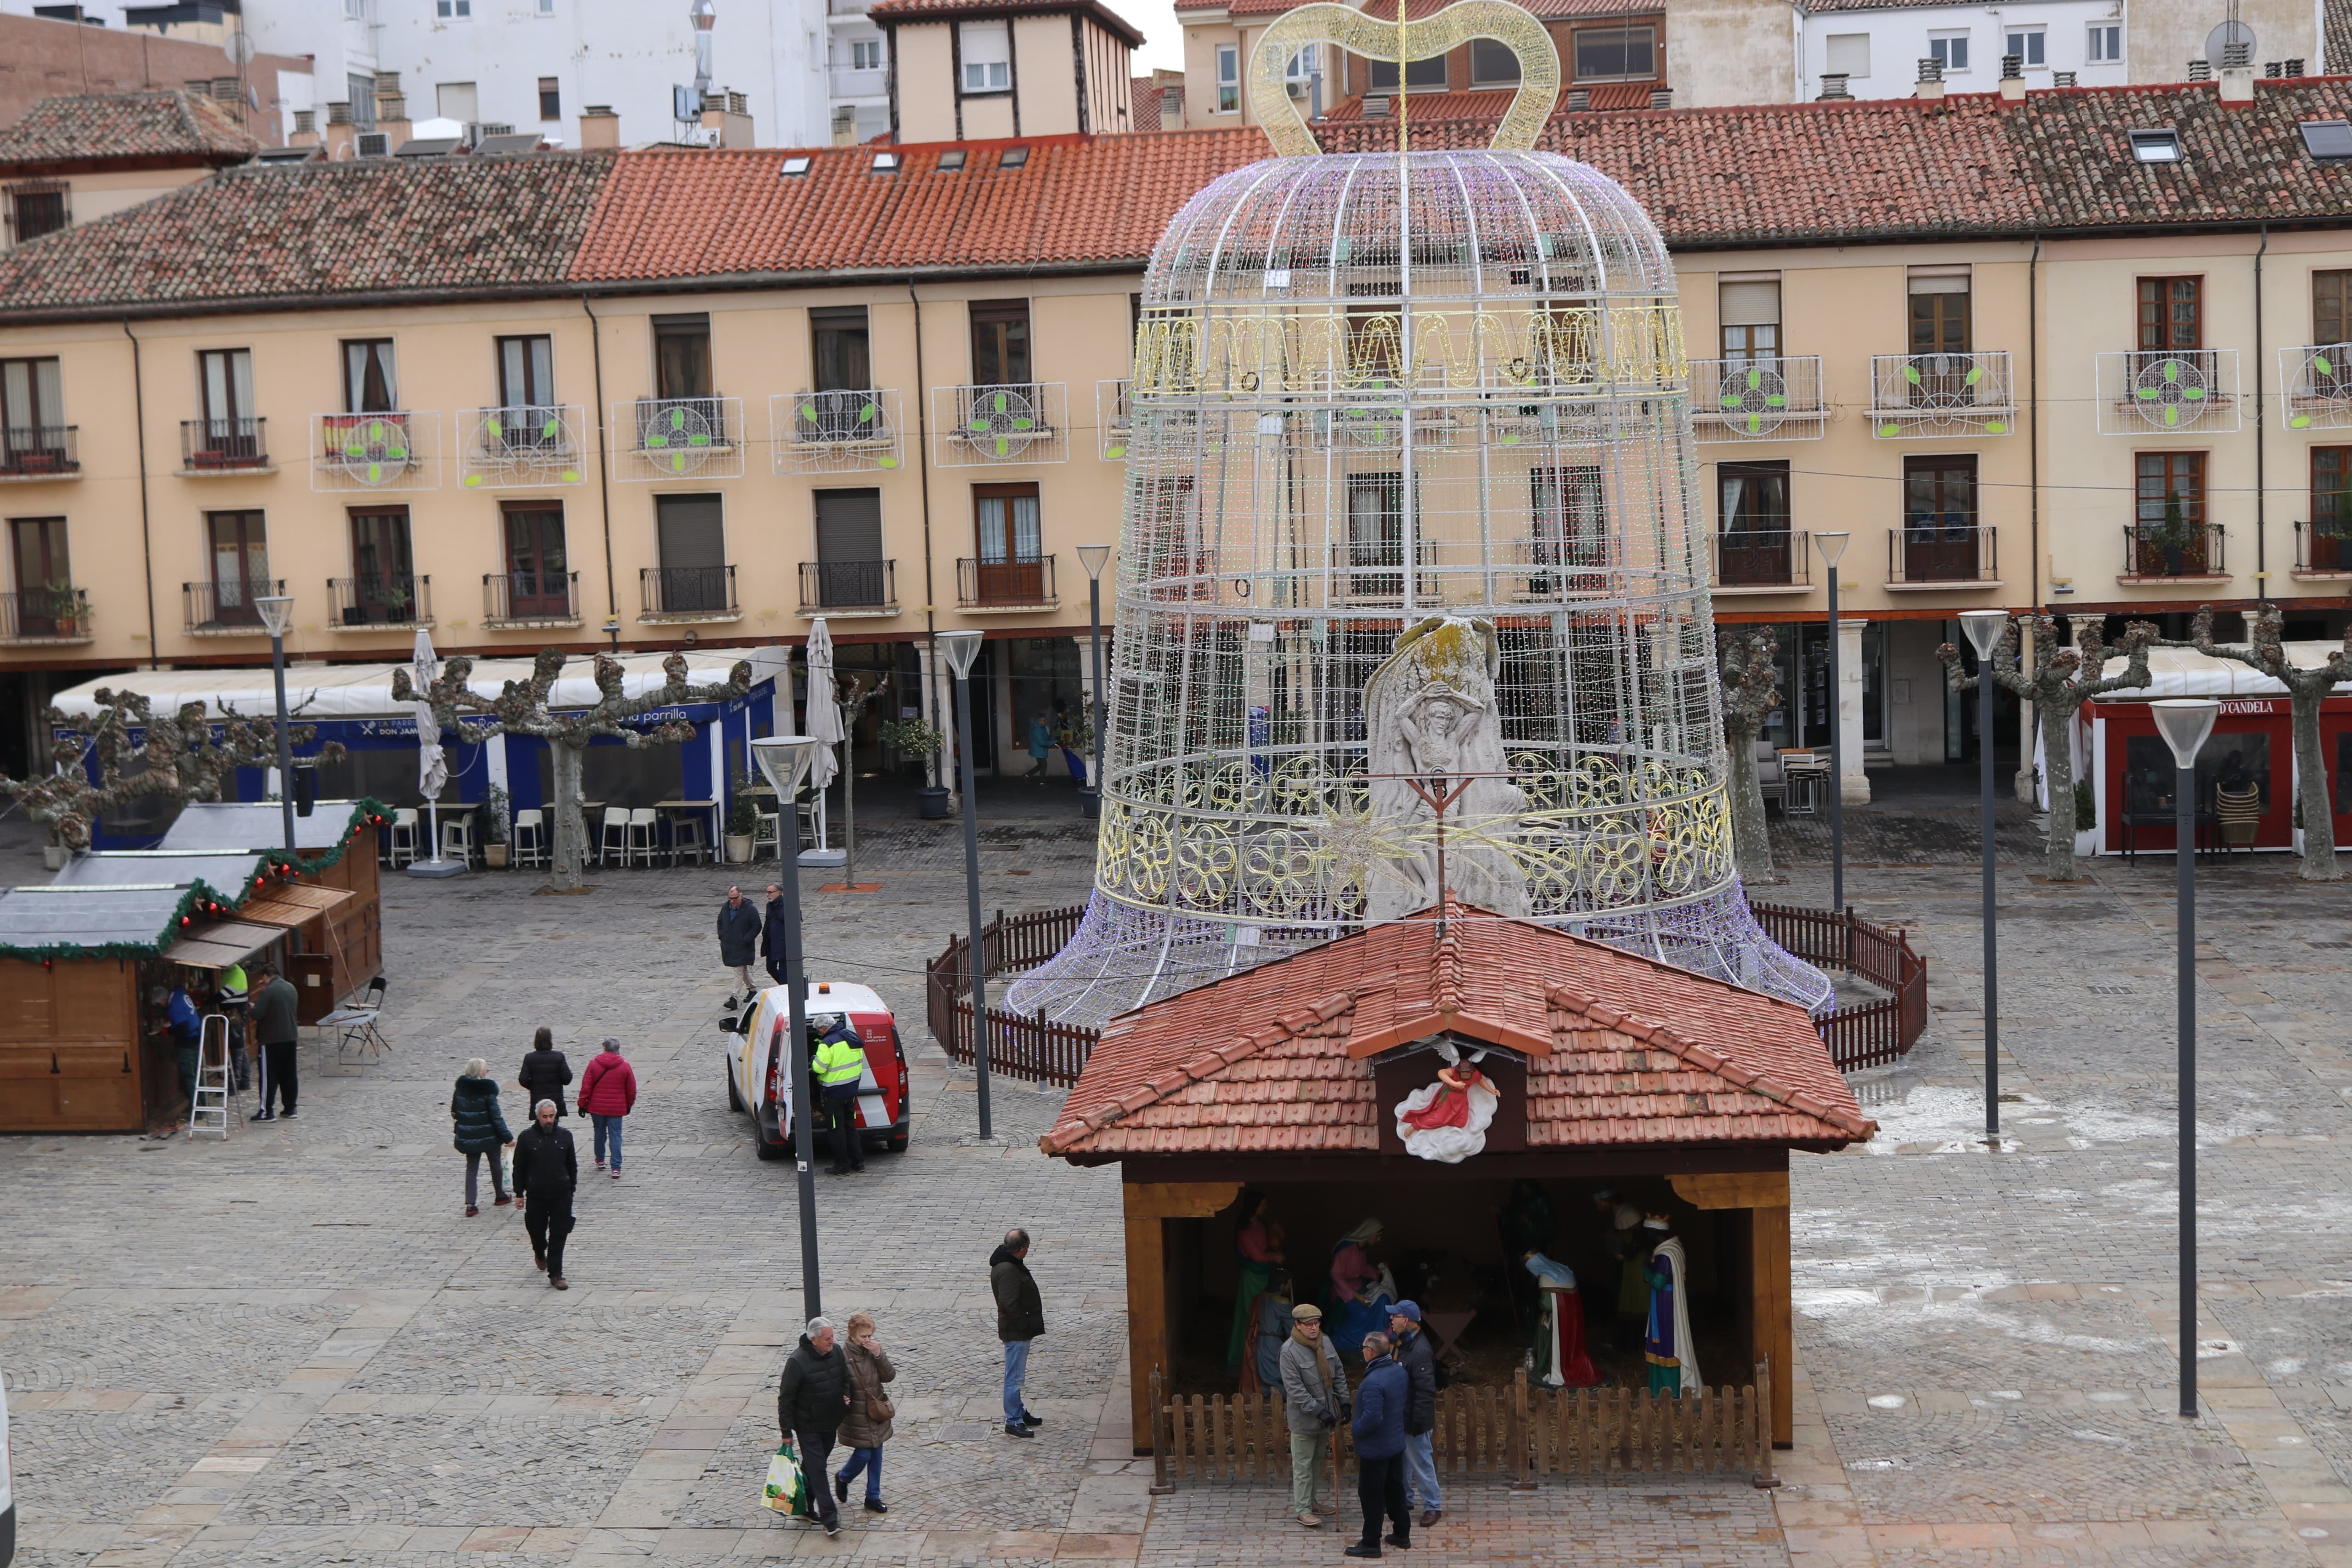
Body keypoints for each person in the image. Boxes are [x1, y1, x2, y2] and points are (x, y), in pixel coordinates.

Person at [778, 1315, 852, 1537]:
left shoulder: (836, 1351)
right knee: (818, 1470)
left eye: (832, 1337)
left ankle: (803, 1506)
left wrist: (846, 1396)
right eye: (828, 1339)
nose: (833, 1341)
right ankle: (830, 1519)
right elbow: (786, 1399)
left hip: (830, 1421)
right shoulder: (797, 1362)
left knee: (812, 1467)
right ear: (815, 1340)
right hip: (808, 1426)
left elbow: (845, 1377)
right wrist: (786, 1432)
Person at [1278, 1302, 1348, 1530]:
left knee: (1317, 1462)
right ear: (1297, 1325)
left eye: (1317, 1323)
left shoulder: (1325, 1342)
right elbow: (1295, 1391)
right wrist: (1319, 1411)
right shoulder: (1289, 1352)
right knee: (1303, 1465)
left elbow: (1337, 1372)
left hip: (1327, 1415)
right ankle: (1303, 1510)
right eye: (1309, 1325)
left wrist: (1344, 1401)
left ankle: (1312, 1502)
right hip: (1306, 1419)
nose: (1314, 1328)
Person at [1346, 1330, 1411, 1559]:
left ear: (1370, 1352)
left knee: (1371, 1495)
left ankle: (1371, 1543)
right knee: (1395, 1488)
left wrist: (1356, 1429)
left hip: (1376, 1448)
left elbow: (1373, 1419)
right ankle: (1402, 1534)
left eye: (1363, 1348)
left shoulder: (1373, 1383)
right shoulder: (1398, 1371)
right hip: (1395, 1443)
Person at [833, 1311, 896, 1515]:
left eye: (870, 1336)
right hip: (856, 1415)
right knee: (864, 1453)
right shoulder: (841, 1355)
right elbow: (836, 1383)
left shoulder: (872, 1351)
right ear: (852, 1334)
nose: (867, 1340)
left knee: (877, 1453)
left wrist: (879, 1355)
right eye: (863, 1337)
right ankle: (844, 1477)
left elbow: (889, 1376)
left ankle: (873, 1497)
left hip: (876, 1412)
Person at [512, 1099, 577, 1289]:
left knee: (559, 1233)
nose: (548, 1120)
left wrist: (571, 1189)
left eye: (551, 1116)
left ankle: (556, 1274)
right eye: (545, 1117)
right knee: (536, 1230)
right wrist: (519, 1193)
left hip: (561, 1194)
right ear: (538, 1117)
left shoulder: (565, 1136)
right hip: (537, 1194)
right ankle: (540, 1251)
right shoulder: (527, 1138)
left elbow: (572, 1165)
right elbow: (520, 1167)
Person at [1388, 1302, 1441, 1528]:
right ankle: (1406, 1500)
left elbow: (1426, 1390)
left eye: (1395, 1316)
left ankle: (1433, 1506)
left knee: (1421, 1461)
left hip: (1413, 1418)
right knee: (1403, 1462)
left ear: (1406, 1321)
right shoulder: (1404, 1344)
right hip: (1403, 1416)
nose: (1391, 1320)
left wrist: (1419, 1421)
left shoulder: (1419, 1351)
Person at [990, 1228, 1045, 1438]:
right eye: (1027, 1249)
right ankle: (1013, 1420)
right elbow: (1008, 1304)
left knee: (1016, 1376)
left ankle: (1019, 1411)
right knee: (1014, 1377)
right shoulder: (1008, 1270)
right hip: (1016, 1332)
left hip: (1018, 1330)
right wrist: (1023, 1325)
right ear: (1021, 1250)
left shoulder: (1008, 1265)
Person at [1642, 1213, 1700, 1394]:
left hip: (1666, 1306)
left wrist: (1645, 1270)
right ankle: (1658, 1388)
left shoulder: (1664, 1255)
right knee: (1662, 1344)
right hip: (1665, 1302)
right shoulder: (1674, 1248)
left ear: (1653, 1232)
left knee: (1667, 1345)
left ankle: (1669, 1390)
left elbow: (1658, 1282)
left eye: (1647, 1233)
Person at [1523, 1251, 1598, 1388]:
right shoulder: (1563, 1270)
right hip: (1572, 1317)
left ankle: (1546, 1364)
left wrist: (1541, 1306)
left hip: (1559, 1321)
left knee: (1543, 1326)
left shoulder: (1546, 1277)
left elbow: (1547, 1304)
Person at [450, 1058, 514, 1215]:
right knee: (495, 1164)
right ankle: (500, 1195)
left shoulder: (460, 1089)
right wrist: (508, 1138)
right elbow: (496, 1117)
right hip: (490, 1136)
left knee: (472, 1168)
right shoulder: (488, 1090)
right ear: (481, 1072)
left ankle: (471, 1204)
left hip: (469, 1136)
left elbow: (454, 1112)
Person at [1227, 1189, 1283, 1370]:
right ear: (1255, 1206)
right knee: (1251, 1312)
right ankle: (1246, 1357)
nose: (1265, 1208)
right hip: (1253, 1276)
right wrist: (1274, 1257)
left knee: (1265, 1313)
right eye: (1263, 1204)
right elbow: (1258, 1256)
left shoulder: (1260, 1225)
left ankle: (1263, 1355)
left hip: (1264, 1274)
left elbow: (1272, 1243)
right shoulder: (1245, 1231)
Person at [810, 1013, 866, 1175]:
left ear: (823, 1028)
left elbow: (820, 1068)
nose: (818, 1034)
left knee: (837, 1130)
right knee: (850, 1127)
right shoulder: (850, 1037)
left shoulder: (826, 1044)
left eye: (817, 1031)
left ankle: (842, 1167)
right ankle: (859, 1163)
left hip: (834, 1093)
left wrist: (813, 1060)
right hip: (851, 1091)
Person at [577, 1037, 638, 1179]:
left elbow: (586, 1086)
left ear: (604, 1048)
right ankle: (616, 1167)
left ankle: (600, 1159)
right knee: (616, 1136)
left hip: (597, 1107)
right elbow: (632, 1090)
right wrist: (629, 1104)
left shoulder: (594, 1064)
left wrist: (582, 1104)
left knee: (599, 1133)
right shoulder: (625, 1066)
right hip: (616, 1108)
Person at [249, 960, 300, 1121]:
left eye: (262, 980)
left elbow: (257, 1014)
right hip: (290, 1037)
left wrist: (254, 1002)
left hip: (271, 1039)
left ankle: (266, 1112)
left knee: (268, 1076)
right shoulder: (291, 988)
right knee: (289, 1073)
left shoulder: (269, 992)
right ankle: (290, 1108)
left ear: (266, 976)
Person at [163, 980, 202, 1129]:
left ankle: (196, 1108)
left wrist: (170, 1031)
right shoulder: (180, 993)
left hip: (187, 1042)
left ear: (163, 1000)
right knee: (198, 1072)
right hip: (197, 1036)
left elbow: (183, 1029)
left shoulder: (174, 1007)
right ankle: (202, 1103)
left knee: (189, 1075)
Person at [718, 884, 763, 1000]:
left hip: (744, 946)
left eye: (735, 898)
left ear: (741, 897)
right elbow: (720, 922)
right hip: (730, 944)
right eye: (730, 898)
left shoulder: (750, 909)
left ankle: (734, 997)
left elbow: (757, 926)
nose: (732, 901)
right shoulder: (726, 908)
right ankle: (752, 990)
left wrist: (746, 939)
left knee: (738, 969)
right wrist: (722, 935)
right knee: (742, 969)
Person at [518, 1026, 572, 1121]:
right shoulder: (558, 1057)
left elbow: (523, 1079)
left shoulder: (530, 1058)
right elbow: (567, 1078)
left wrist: (533, 1086)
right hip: (556, 1100)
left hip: (538, 1099)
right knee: (554, 1123)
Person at [217, 960, 251, 1093]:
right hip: (235, 1016)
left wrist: (208, 1001)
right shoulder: (230, 972)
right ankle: (245, 1081)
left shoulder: (236, 973)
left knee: (237, 1050)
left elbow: (224, 994)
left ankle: (233, 1086)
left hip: (235, 1018)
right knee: (241, 1049)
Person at [759, 881, 788, 986]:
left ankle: (786, 988)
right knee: (770, 968)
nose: (768, 895)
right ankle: (787, 986)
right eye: (767, 892)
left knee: (785, 971)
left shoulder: (787, 905)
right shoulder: (770, 905)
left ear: (778, 893)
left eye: (770, 892)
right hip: (771, 942)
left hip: (783, 943)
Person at [1025, 713, 1053, 781]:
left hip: (1040, 750)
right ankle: (1042, 783)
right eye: (1045, 720)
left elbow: (1046, 737)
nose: (1046, 721)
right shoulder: (1037, 729)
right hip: (1039, 750)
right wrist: (1052, 742)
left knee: (1041, 765)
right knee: (1044, 765)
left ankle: (1027, 775)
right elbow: (1041, 742)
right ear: (1040, 721)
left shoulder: (1042, 727)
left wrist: (1053, 739)